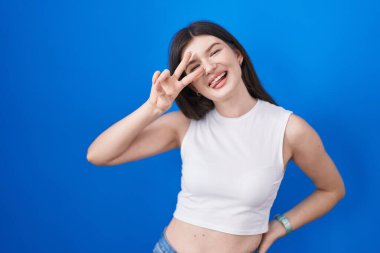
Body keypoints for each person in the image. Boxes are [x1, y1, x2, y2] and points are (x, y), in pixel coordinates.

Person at [86, 20, 346, 253]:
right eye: (195, 67)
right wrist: (154, 107)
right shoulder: (184, 125)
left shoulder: (289, 129)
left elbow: (332, 190)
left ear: (237, 54)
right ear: (191, 83)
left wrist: (280, 226)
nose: (209, 67)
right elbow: (98, 155)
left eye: (214, 52)